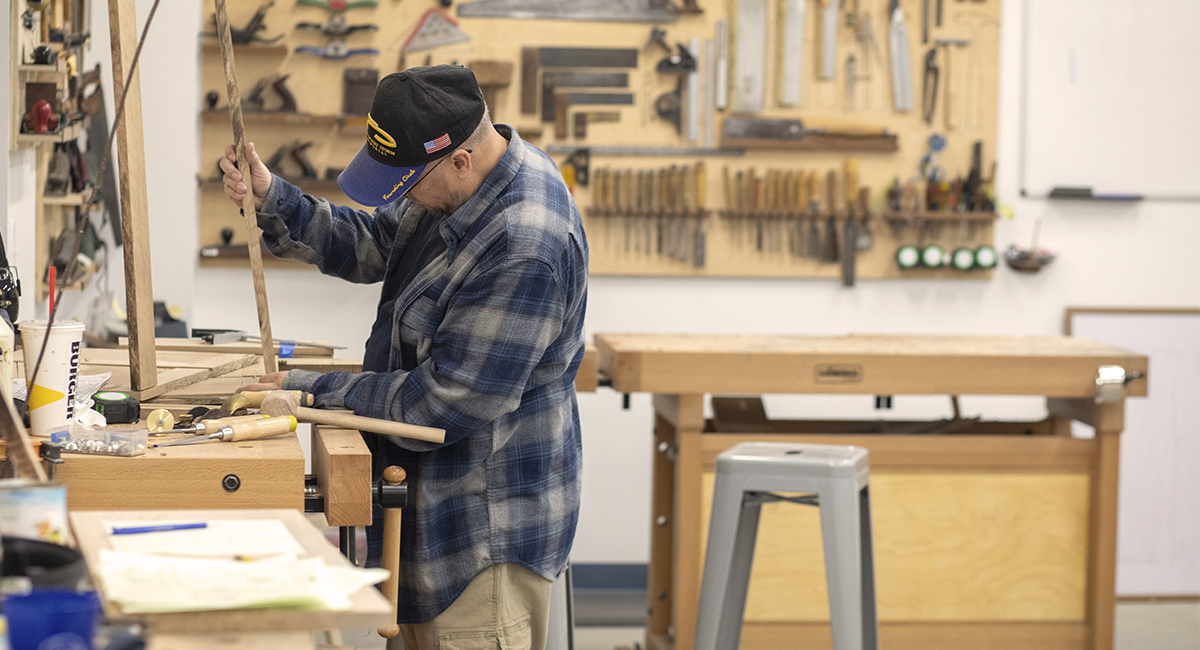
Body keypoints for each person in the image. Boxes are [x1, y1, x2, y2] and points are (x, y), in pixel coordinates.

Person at [220, 65, 588, 649]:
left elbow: (442, 404)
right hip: (426, 516)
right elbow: (372, 243)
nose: (403, 196)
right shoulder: (454, 187)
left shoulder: (524, 244)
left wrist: (310, 390)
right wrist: (274, 199)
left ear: (458, 160)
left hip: (479, 536)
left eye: (407, 182)